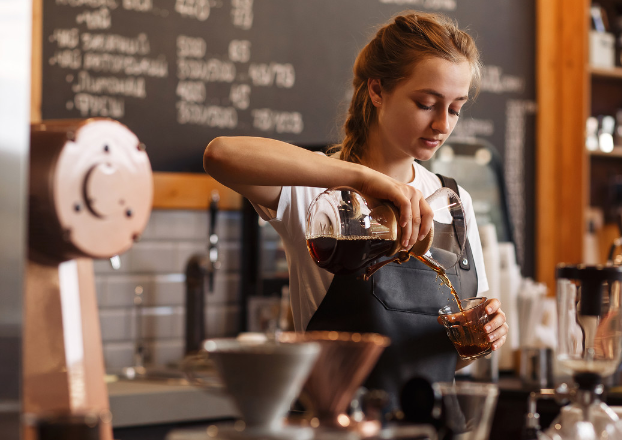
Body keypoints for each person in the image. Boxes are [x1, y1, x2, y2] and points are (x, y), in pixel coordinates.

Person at [204, 11, 508, 409]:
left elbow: (455, 352)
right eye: (426, 103)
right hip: (340, 425)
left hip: (434, 425)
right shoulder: (320, 195)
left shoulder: (454, 200)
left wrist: (483, 337)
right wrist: (364, 180)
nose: (442, 124)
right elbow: (221, 155)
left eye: (455, 108)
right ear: (378, 91)